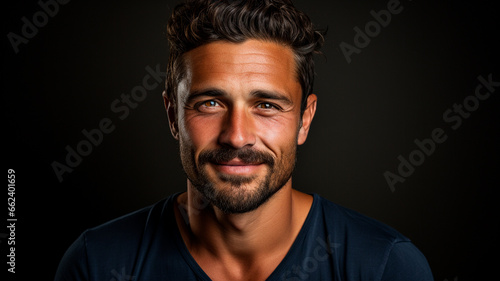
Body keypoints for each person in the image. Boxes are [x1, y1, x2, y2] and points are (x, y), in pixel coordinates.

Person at [54, 0, 434, 280]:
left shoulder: (387, 266)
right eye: (210, 103)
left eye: (266, 104)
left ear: (305, 119)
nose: (237, 136)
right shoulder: (95, 264)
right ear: (173, 115)